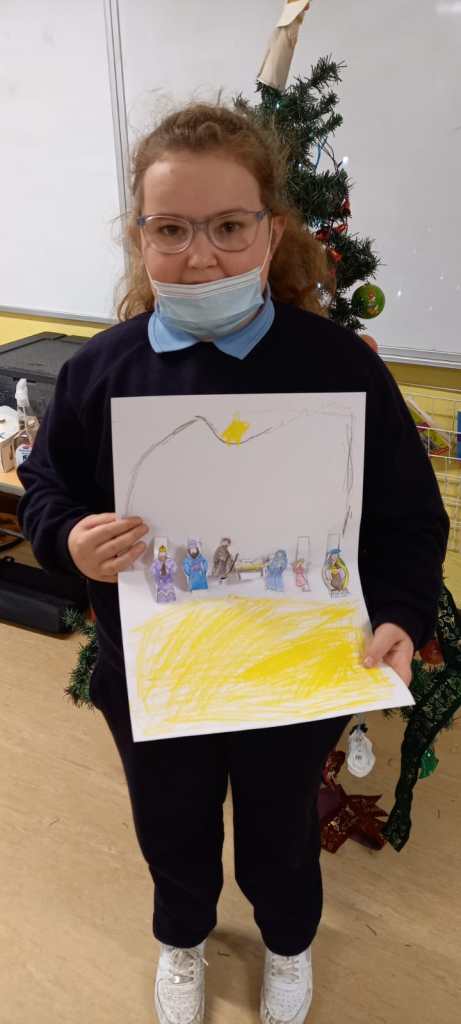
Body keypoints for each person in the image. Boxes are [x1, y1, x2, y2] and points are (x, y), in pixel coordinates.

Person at [17, 102, 448, 1024]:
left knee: (280, 825)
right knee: (169, 821)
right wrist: (69, 538)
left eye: (227, 227)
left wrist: (399, 615)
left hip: (291, 668)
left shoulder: (338, 366)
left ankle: (287, 943)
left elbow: (409, 518)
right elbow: (47, 484)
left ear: (272, 231)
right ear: (140, 237)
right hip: (154, 667)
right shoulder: (102, 370)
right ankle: (182, 938)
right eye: (170, 230)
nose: (201, 256)